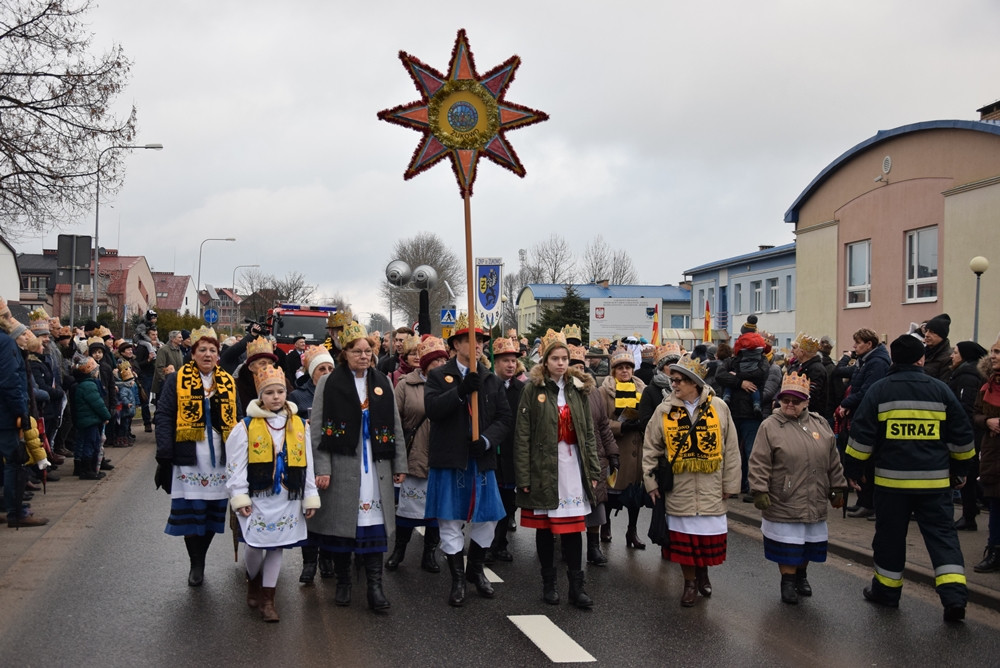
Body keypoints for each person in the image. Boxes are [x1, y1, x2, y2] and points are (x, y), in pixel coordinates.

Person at [845, 333, 975, 623]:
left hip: (892, 486)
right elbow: (962, 436)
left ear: (893, 359)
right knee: (943, 539)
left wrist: (853, 472)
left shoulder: (879, 391)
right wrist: (961, 471)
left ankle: (887, 594)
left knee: (890, 539)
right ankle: (954, 598)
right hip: (935, 485)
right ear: (921, 358)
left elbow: (861, 437)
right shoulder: (940, 390)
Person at [307, 322, 407, 611]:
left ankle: (375, 588)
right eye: (357, 351)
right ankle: (343, 582)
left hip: (376, 465)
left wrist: (399, 462)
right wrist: (322, 469)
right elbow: (317, 432)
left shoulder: (382, 382)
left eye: (368, 351)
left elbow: (395, 427)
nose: (364, 356)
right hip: (342, 463)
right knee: (343, 526)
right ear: (345, 353)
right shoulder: (330, 382)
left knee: (374, 526)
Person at [424, 312, 513, 607]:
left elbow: (504, 418)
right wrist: (461, 391)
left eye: (482, 342)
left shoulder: (491, 380)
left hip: (481, 460)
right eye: (473, 341)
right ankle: (458, 579)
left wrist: (486, 440)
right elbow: (433, 410)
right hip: (450, 460)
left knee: (487, 518)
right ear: (457, 344)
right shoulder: (438, 376)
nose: (479, 347)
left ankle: (476, 569)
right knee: (450, 520)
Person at [642, 355, 741, 607]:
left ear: (694, 383)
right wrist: (650, 482)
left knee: (705, 540)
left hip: (711, 486)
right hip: (679, 487)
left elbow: (730, 448)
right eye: (673, 380)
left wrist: (730, 484)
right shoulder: (664, 410)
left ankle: (702, 572)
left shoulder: (719, 407)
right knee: (685, 541)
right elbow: (651, 448)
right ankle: (689, 583)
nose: (673, 384)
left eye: (678, 381)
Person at [225, 365, 320, 622]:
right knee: (255, 544)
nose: (276, 397)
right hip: (258, 496)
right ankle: (253, 580)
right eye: (270, 393)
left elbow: (309, 463)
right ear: (260, 396)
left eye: (280, 391)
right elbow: (235, 466)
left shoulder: (299, 425)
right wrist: (240, 496)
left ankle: (269, 599)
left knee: (277, 547)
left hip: (288, 496)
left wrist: (310, 495)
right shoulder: (245, 426)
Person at [515, 330, 600, 608]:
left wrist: (594, 471)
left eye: (565, 358)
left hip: (572, 467)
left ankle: (577, 586)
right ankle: (549, 584)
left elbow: (588, 432)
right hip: (544, 468)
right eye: (555, 358)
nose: (561, 363)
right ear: (545, 360)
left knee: (574, 529)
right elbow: (522, 435)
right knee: (545, 529)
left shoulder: (578, 389)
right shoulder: (533, 389)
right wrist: (524, 476)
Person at [748, 372, 847, 604]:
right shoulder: (770, 426)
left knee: (809, 543)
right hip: (784, 497)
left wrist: (838, 487)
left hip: (814, 495)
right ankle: (788, 582)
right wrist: (759, 490)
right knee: (788, 545)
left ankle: (801, 575)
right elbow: (759, 461)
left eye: (796, 400)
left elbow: (833, 459)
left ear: (806, 402)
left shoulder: (820, 424)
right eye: (785, 400)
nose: (790, 404)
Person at [154, 326, 239, 587]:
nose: (207, 354)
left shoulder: (227, 381)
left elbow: (238, 420)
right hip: (189, 456)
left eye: (213, 350)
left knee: (213, 512)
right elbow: (165, 415)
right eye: (202, 349)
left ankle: (202, 555)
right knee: (192, 513)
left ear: (218, 355)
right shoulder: (176, 379)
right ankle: (196, 563)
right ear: (193, 354)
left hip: (219, 459)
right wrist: (165, 454)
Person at [386, 335, 450, 573]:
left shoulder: (453, 384)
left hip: (441, 456)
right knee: (407, 510)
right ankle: (399, 550)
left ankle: (429, 554)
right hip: (413, 453)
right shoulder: (405, 384)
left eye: (445, 360)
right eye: (436, 361)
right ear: (425, 363)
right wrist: (397, 458)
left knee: (435, 511)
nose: (442, 364)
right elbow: (394, 422)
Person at [287, 345, 334, 585]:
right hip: (306, 459)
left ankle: (327, 558)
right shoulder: (298, 396)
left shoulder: (338, 393)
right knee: (310, 510)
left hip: (332, 459)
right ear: (311, 372)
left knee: (328, 510)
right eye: (321, 369)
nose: (325, 372)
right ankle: (308, 562)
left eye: (329, 368)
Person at [835, 329, 891, 519]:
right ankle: (863, 500)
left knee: (868, 462)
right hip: (859, 414)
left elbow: (869, 391)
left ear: (869, 344)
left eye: (857, 343)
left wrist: (846, 403)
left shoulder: (877, 363)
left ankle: (871, 504)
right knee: (859, 460)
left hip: (869, 418)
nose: (854, 346)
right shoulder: (865, 360)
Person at [599, 347, 648, 548]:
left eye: (628, 367)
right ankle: (606, 525)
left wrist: (642, 422)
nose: (625, 371)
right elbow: (600, 422)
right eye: (620, 368)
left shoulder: (642, 389)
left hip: (637, 449)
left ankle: (632, 531)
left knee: (635, 497)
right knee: (611, 494)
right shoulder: (604, 391)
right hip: (617, 447)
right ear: (614, 370)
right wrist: (621, 426)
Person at [488, 336, 525, 564]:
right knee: (491, 501)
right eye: (505, 361)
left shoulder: (522, 389)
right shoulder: (486, 386)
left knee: (507, 501)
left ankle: (500, 543)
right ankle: (485, 545)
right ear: (495, 362)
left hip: (512, 452)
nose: (510, 365)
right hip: (491, 450)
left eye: (513, 361)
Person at [948, 341, 988, 531]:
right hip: (972, 432)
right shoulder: (965, 373)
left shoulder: (967, 376)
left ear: (964, 356)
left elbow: (965, 407)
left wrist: (959, 430)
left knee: (969, 476)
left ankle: (969, 516)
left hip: (970, 434)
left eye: (955, 353)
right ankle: (972, 510)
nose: (952, 356)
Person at [973, 335, 1000, 574]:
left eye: (998, 352)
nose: (993, 356)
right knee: (995, 503)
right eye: (992, 351)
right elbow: (976, 413)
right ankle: (994, 551)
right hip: (993, 451)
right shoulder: (987, 386)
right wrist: (987, 420)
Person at [113, 361, 139, 447]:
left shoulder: (128, 387)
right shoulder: (124, 388)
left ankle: (125, 437)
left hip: (128, 411)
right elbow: (123, 397)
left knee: (126, 426)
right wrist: (127, 403)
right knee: (123, 426)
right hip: (124, 411)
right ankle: (121, 439)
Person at [921, 314, 952, 381]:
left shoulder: (948, 358)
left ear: (942, 335)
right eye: (926, 331)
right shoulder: (922, 353)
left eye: (932, 332)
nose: (926, 335)